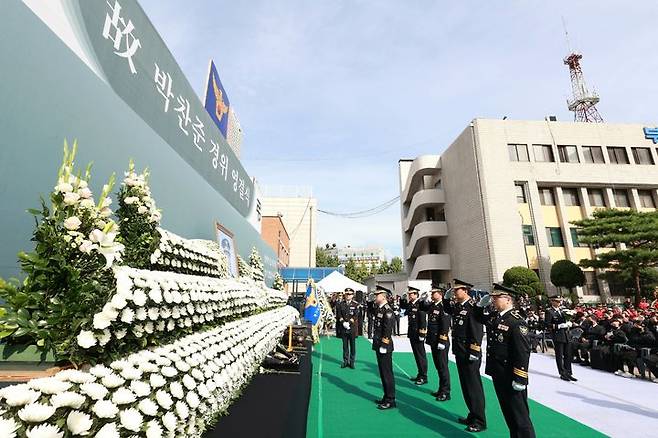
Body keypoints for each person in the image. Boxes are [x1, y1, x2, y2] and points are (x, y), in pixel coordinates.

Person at [474, 283, 536, 438]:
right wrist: (479, 305)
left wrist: (520, 377)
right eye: (493, 297)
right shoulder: (497, 317)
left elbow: (522, 352)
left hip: (511, 374)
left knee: (520, 418)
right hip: (499, 372)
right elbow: (478, 317)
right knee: (509, 414)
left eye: (497, 297)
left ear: (508, 300)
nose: (493, 300)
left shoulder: (516, 321)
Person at [443, 279, 486, 432]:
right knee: (466, 385)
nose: (455, 292)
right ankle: (472, 414)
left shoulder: (473, 307)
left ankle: (480, 420)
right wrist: (446, 298)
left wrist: (474, 351)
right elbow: (447, 310)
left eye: (457, 290)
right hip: (460, 350)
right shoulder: (458, 306)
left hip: (469, 352)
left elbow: (477, 331)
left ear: (465, 291)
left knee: (473, 386)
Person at [419, 286, 451, 401]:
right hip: (433, 340)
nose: (432, 295)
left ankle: (446, 392)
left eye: (434, 293)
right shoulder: (433, 305)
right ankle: (441, 389)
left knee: (443, 366)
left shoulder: (444, 307)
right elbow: (422, 308)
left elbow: (445, 325)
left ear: (440, 294)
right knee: (438, 366)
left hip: (440, 341)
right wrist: (422, 300)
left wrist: (442, 340)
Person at [372, 285, 396, 410]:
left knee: (387, 373)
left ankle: (390, 399)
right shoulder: (380, 309)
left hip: (384, 346)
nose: (375, 297)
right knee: (382, 372)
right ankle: (386, 396)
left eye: (377, 295)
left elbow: (387, 330)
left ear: (383, 296)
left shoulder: (387, 311)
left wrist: (384, 344)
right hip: (379, 344)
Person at [544, 296, 577, 381]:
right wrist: (558, 326)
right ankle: (562, 373)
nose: (559, 303)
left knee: (568, 354)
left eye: (560, 301)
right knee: (559, 355)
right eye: (557, 301)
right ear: (552, 302)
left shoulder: (562, 310)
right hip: (558, 335)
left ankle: (569, 372)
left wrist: (569, 323)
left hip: (566, 334)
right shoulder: (549, 311)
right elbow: (547, 324)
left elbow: (567, 319)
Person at [400, 286, 428, 385]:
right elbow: (404, 308)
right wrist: (402, 299)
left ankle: (424, 376)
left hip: (418, 332)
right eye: (409, 294)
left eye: (411, 294)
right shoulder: (411, 304)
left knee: (421, 355)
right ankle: (420, 374)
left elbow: (423, 319)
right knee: (416, 354)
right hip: (412, 332)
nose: (409, 296)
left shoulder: (419, 304)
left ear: (416, 294)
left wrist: (422, 333)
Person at [335, 288, 361, 369]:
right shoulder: (341, 304)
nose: (348, 296)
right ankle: (345, 361)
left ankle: (352, 362)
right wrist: (343, 323)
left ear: (352, 295)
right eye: (347, 294)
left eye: (350, 294)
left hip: (352, 328)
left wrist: (349, 323)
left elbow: (356, 316)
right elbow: (339, 315)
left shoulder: (355, 304)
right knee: (345, 346)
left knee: (352, 346)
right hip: (343, 327)